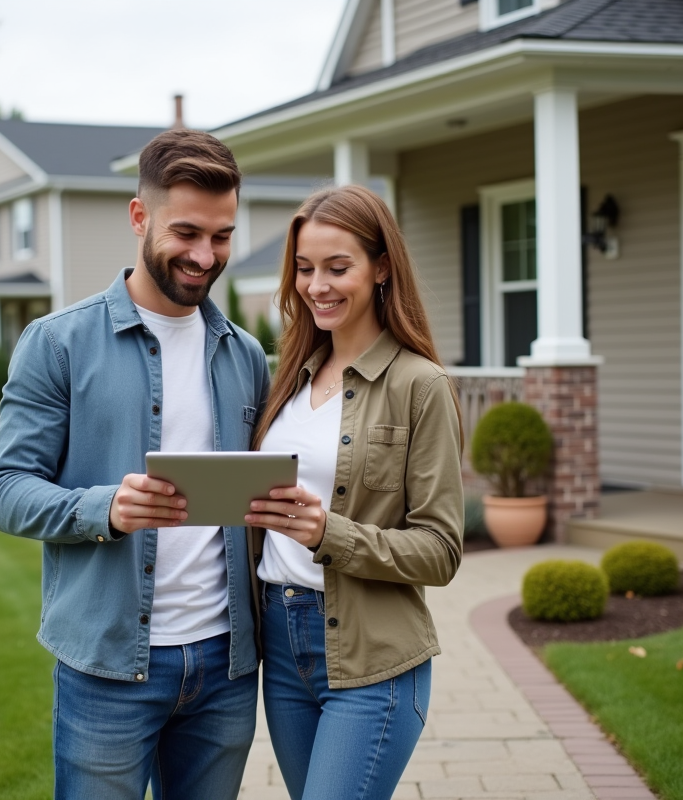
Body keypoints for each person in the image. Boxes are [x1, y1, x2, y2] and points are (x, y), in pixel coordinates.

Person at [0, 129, 270, 800]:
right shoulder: (57, 344)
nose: (205, 256)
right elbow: (4, 490)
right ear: (139, 217)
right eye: (188, 232)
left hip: (226, 667)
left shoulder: (246, 356)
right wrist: (103, 509)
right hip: (108, 670)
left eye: (222, 236)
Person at [242, 185, 464, 800]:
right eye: (306, 270)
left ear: (382, 266)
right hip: (282, 651)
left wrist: (325, 533)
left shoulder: (421, 386)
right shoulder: (287, 377)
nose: (318, 286)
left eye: (338, 268)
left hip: (373, 661)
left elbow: (441, 550)